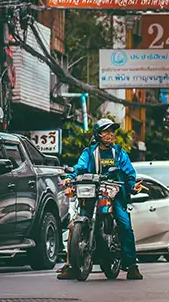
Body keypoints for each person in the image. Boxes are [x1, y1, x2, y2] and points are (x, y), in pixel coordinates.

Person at [57, 118, 144, 280]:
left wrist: (131, 185)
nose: (111, 135)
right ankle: (71, 265)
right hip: (91, 192)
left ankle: (132, 265)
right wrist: (70, 178)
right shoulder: (89, 152)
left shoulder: (119, 152)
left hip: (114, 193)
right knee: (73, 225)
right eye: (106, 131)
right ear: (98, 135)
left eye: (112, 132)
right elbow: (79, 167)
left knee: (124, 224)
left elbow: (129, 173)